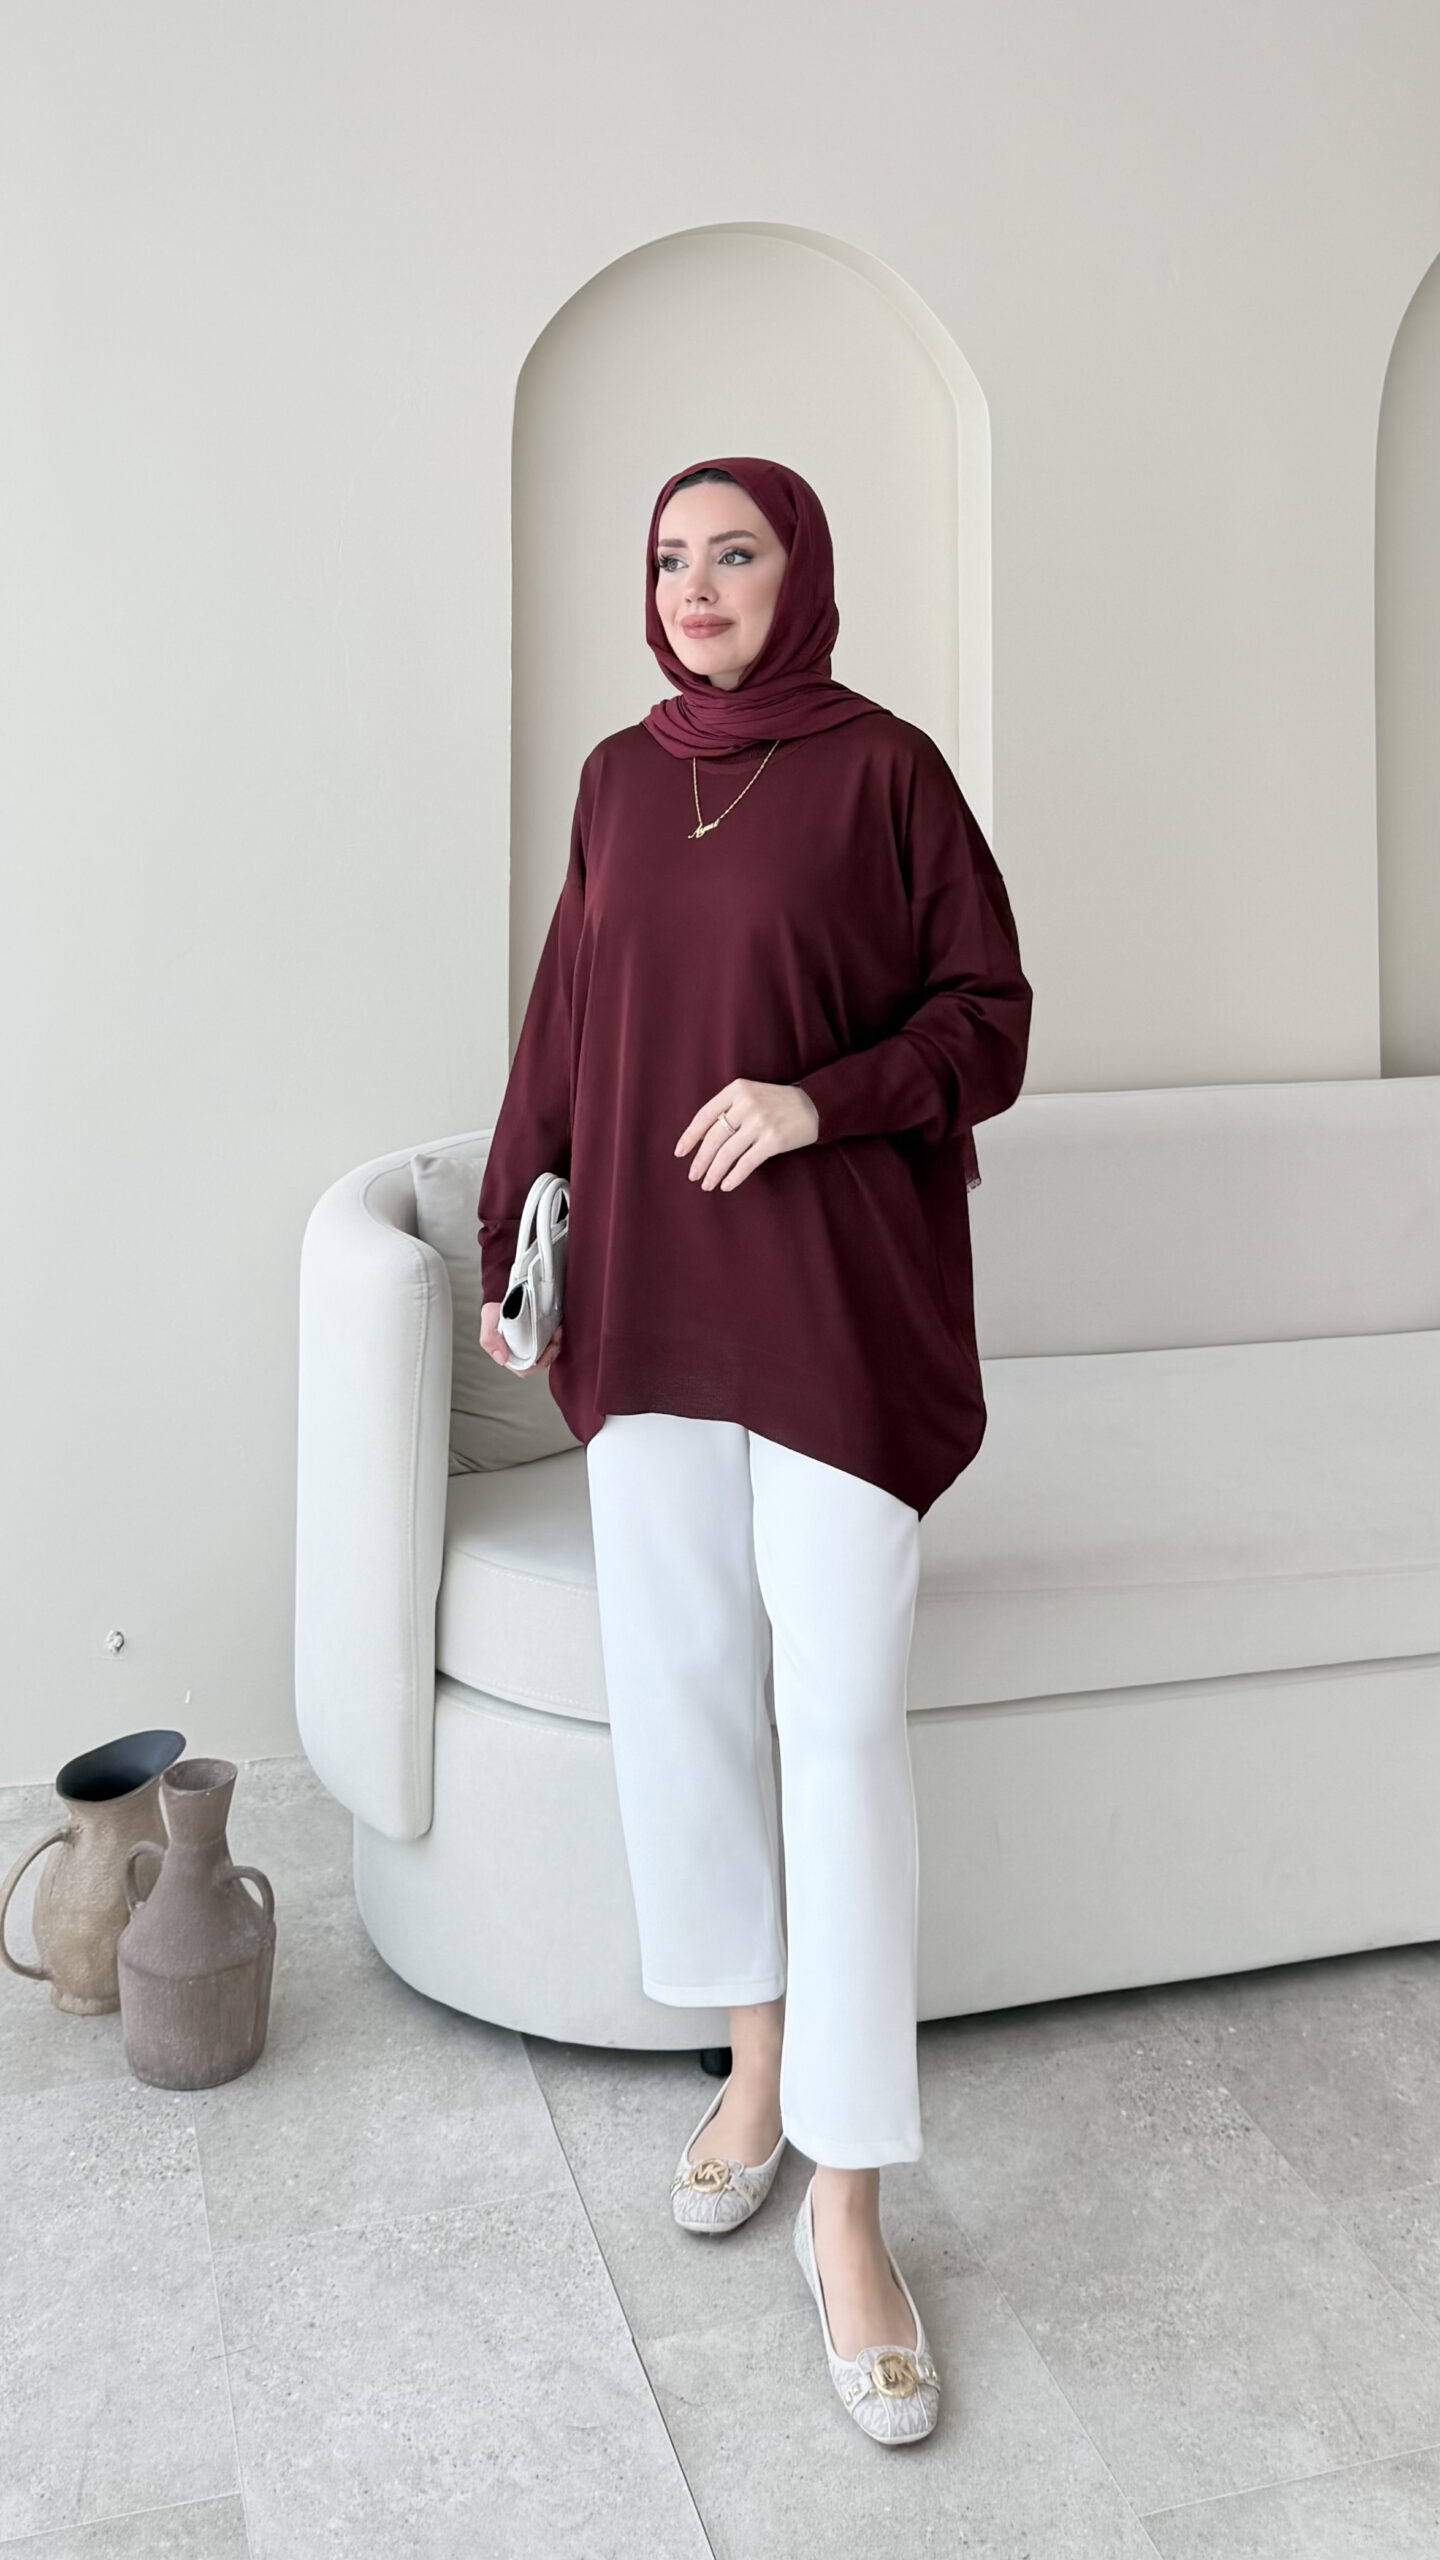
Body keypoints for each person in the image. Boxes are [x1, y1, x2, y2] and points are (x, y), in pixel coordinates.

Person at [477, 455, 1032, 2443]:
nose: (694, 583)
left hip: (834, 1311)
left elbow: (992, 1020)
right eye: (668, 556)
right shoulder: (620, 781)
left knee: (845, 1728)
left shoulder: (888, 772)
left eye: (734, 551)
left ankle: (852, 2203)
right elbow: (567, 1021)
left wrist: (818, 1100)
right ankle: (755, 2062)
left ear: (802, 573)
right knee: (688, 1693)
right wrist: (514, 1232)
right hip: (648, 1297)